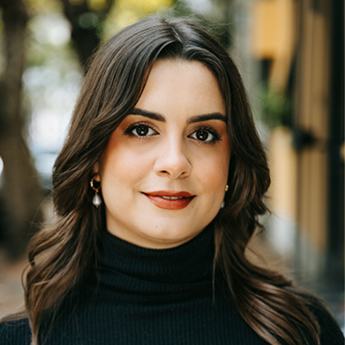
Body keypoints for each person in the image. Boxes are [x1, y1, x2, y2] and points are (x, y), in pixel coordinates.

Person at [0, 16, 343, 345]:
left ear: (232, 162)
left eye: (204, 134)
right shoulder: (20, 340)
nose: (175, 163)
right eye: (141, 130)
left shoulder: (303, 331)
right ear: (93, 158)